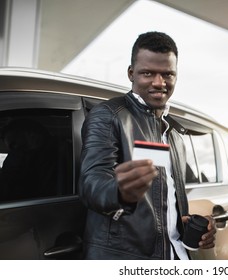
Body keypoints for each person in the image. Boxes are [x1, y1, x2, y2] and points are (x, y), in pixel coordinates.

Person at [79, 31, 216, 260]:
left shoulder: (174, 135)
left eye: (167, 74)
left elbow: (160, 198)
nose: (159, 82)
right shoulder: (108, 116)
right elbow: (92, 183)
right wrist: (119, 191)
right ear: (131, 73)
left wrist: (184, 224)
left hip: (175, 254)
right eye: (147, 73)